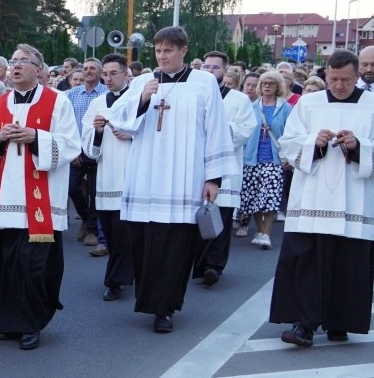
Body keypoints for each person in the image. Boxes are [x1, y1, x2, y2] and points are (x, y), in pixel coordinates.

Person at [106, 26, 236, 333]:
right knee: (144, 242)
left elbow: (216, 128)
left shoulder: (204, 83)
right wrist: (142, 99)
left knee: (176, 246)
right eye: (158, 51)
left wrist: (213, 178)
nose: (162, 56)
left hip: (185, 179)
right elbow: (121, 118)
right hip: (145, 176)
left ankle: (166, 308)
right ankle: (148, 299)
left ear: (183, 51)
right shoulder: (142, 81)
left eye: (168, 51)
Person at [271, 50, 374, 346]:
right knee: (306, 261)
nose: (339, 85)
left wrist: (359, 146)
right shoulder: (308, 103)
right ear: (325, 75)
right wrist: (312, 143)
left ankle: (340, 321)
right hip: (312, 200)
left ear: (357, 77)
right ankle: (304, 324)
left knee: (347, 264)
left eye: (345, 80)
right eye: (333, 79)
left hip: (354, 200)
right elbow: (288, 144)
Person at [0, 43, 81, 350]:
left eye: (24, 61)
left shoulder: (58, 102)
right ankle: (7, 322)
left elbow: (73, 145)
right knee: (6, 264)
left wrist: (36, 138)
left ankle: (31, 324)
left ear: (39, 70)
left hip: (41, 202)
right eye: (14, 61)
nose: (16, 66)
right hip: (5, 200)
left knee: (33, 267)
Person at [192, 51, 257, 286]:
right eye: (206, 68)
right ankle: (198, 264)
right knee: (194, 219)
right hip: (195, 167)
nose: (210, 72)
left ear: (225, 71)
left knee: (220, 219)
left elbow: (247, 129)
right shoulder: (194, 96)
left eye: (215, 68)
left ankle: (214, 266)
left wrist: (219, 128)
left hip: (225, 169)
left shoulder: (238, 100)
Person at [82, 54, 135, 301]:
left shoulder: (139, 100)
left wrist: (133, 136)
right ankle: (123, 273)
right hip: (105, 176)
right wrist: (99, 132)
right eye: (106, 73)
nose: (108, 78)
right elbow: (88, 145)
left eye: (114, 73)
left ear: (126, 74)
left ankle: (114, 280)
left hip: (133, 175)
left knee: (126, 231)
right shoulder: (98, 103)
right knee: (112, 232)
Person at [240, 71, 292, 250]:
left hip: (274, 159)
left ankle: (267, 234)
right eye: (264, 83)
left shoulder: (285, 108)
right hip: (252, 158)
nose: (267, 86)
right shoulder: (252, 107)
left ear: (278, 86)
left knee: (270, 196)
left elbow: (291, 134)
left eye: (271, 83)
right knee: (254, 197)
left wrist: (289, 156)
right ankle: (260, 231)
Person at [67, 58, 109, 247]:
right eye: (85, 68)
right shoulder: (72, 94)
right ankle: (85, 218)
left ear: (100, 72)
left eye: (93, 68)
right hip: (77, 150)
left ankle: (92, 230)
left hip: (99, 148)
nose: (88, 71)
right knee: (72, 188)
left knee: (95, 192)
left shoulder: (106, 94)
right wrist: (73, 150)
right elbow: (67, 124)